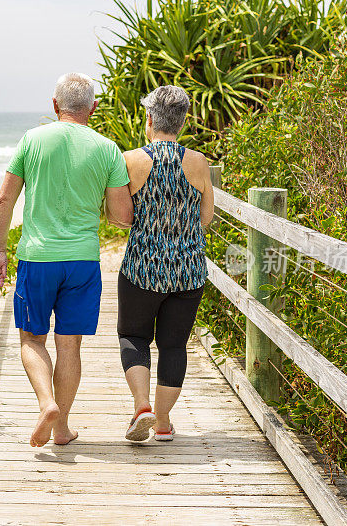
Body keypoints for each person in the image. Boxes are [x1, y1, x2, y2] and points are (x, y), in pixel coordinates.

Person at [0, 72, 134, 447]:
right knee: (69, 345)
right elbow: (121, 216)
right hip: (82, 260)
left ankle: (46, 403)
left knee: (32, 338)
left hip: (38, 257)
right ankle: (62, 427)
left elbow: (4, 200)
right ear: (93, 108)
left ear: (55, 106)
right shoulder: (107, 148)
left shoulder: (32, 140)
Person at [117, 85, 214, 442]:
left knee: (133, 336)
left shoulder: (131, 159)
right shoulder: (198, 162)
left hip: (141, 268)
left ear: (149, 119)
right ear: (182, 121)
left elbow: (122, 217)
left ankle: (142, 405)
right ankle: (162, 422)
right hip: (188, 270)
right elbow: (205, 218)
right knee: (174, 345)